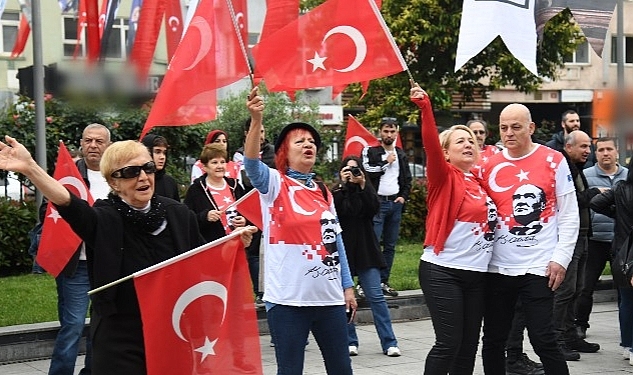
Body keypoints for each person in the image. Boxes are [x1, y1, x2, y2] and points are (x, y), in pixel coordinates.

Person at [0, 135, 255, 375]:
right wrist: (30, 167)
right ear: (114, 182)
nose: (143, 177)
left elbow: (202, 262)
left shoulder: (178, 214)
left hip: (171, 328)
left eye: (147, 168)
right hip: (120, 334)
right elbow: (68, 203)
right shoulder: (103, 217)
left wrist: (233, 246)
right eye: (131, 172)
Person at [244, 87, 356, 375]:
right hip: (288, 302)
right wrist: (256, 121)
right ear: (284, 151)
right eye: (299, 141)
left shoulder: (323, 191)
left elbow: (336, 242)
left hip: (330, 299)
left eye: (312, 142)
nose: (309, 145)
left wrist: (347, 286)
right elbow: (251, 164)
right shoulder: (274, 184)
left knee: (342, 370)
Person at [480, 103, 578, 375]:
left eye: (516, 127)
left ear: (531, 128)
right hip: (497, 267)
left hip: (538, 266)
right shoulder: (488, 163)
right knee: (493, 340)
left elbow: (570, 214)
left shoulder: (553, 159)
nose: (508, 133)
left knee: (543, 338)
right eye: (503, 128)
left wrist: (561, 259)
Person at [411, 84, 494, 374]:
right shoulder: (443, 177)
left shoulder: (481, 183)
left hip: (477, 276)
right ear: (446, 153)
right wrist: (426, 108)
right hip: (443, 271)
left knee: (468, 346)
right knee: (448, 343)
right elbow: (431, 144)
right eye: (460, 141)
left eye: (471, 140)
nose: (468, 144)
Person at [49, 123, 112, 375]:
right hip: (77, 264)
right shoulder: (67, 175)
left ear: (108, 145)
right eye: (88, 141)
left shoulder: (117, 175)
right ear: (81, 144)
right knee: (73, 325)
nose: (93, 146)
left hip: (107, 265)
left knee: (102, 325)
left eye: (99, 141)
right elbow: (48, 211)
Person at [331, 155, 401, 358]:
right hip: (344, 249)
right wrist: (345, 187)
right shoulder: (336, 192)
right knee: (345, 298)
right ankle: (350, 341)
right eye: (348, 170)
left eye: (355, 170)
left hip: (365, 249)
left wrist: (362, 184)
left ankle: (390, 342)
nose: (352, 173)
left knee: (376, 297)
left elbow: (372, 209)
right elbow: (342, 211)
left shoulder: (366, 189)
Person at [552, 130, 602, 360]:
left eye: (589, 147)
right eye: (583, 147)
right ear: (568, 147)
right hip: (568, 238)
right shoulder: (562, 168)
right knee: (566, 291)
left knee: (578, 289)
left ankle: (571, 336)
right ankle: (557, 340)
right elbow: (569, 202)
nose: (587, 152)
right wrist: (595, 193)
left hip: (582, 236)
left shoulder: (576, 168)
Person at [576, 137, 627, 338]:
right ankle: (580, 325)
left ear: (616, 152)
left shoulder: (627, 176)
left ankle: (626, 328)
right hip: (595, 239)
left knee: (624, 288)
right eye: (601, 150)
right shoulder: (586, 176)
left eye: (609, 149)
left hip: (622, 242)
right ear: (596, 154)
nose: (605, 153)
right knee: (585, 287)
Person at [362, 116, 412, 297]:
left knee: (390, 246)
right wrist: (385, 162)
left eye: (392, 131)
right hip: (377, 204)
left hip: (394, 203)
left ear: (397, 132)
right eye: (386, 131)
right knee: (372, 244)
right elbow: (367, 171)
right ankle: (366, 284)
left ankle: (384, 281)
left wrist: (403, 197)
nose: (389, 134)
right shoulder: (371, 151)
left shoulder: (401, 153)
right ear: (380, 132)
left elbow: (407, 179)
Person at [590, 158, 633, 364]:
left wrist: (617, 213)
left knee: (626, 300)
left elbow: (595, 203)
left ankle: (628, 345)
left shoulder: (621, 188)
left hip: (623, 251)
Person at [233, 118, 276, 306]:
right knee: (254, 251)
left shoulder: (273, 152)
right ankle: (259, 291)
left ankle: (272, 285)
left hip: (272, 206)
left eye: (263, 131)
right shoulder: (239, 155)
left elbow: (275, 177)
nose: (261, 135)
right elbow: (247, 180)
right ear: (246, 133)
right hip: (249, 208)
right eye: (257, 130)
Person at [184, 143, 246, 242]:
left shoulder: (235, 186)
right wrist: (204, 217)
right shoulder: (196, 190)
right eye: (214, 162)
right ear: (204, 167)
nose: (220, 166)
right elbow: (186, 220)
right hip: (211, 247)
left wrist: (244, 220)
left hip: (237, 244)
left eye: (222, 162)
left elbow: (248, 212)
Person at [141, 134, 180, 201]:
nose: (162, 157)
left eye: (164, 153)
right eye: (157, 152)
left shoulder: (170, 182)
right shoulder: (139, 180)